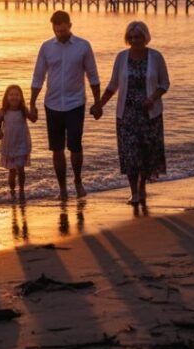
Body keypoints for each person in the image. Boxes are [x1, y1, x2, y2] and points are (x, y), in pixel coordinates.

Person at [30, 11, 101, 199]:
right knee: (57, 148)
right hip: (52, 103)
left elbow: (92, 75)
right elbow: (38, 76)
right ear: (53, 28)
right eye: (57, 31)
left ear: (70, 25)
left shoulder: (83, 46)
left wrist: (98, 102)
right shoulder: (46, 48)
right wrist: (32, 104)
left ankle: (78, 181)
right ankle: (62, 188)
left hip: (75, 103)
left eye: (63, 30)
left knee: (75, 146)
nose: (61, 34)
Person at [99, 20, 170, 205]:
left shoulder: (156, 57)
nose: (134, 40)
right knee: (129, 154)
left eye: (138, 37)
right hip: (126, 114)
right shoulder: (121, 57)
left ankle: (142, 188)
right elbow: (113, 85)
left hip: (150, 114)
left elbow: (164, 84)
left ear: (145, 37)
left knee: (146, 153)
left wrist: (152, 98)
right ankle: (134, 193)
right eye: (131, 37)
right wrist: (99, 104)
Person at [0, 84, 36, 199]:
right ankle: (13, 191)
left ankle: (22, 190)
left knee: (21, 169)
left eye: (17, 95)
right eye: (11, 95)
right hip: (9, 144)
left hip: (21, 142)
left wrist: (34, 110)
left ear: (21, 97)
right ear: (7, 97)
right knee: (12, 171)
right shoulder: (3, 111)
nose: (14, 97)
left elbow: (33, 119)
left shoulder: (23, 110)